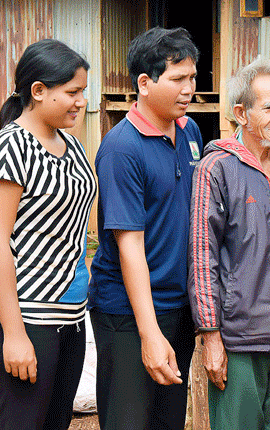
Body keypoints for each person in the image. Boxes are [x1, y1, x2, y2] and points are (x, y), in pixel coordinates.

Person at [87, 27, 202, 430]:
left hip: (177, 305)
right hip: (128, 311)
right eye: (177, 79)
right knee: (129, 421)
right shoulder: (122, 148)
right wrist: (149, 333)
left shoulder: (190, 132)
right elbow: (128, 245)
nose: (189, 88)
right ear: (144, 83)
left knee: (167, 420)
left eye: (192, 77)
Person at [189, 60, 270, 430]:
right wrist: (210, 335)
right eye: (269, 107)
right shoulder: (216, 170)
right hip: (238, 341)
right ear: (241, 113)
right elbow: (201, 256)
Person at [0, 39, 96, 430]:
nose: (80, 101)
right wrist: (13, 334)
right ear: (39, 91)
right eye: (72, 92)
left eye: (83, 91)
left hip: (71, 318)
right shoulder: (10, 146)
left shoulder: (74, 147)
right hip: (27, 319)